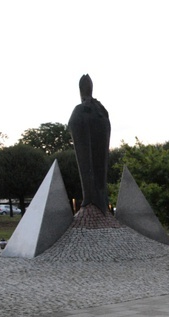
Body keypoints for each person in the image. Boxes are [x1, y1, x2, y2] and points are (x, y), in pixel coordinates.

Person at [68, 74, 111, 213]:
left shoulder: (93, 108)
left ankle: (95, 195)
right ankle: (95, 194)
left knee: (94, 166)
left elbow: (73, 123)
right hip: (90, 144)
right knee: (94, 166)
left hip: (96, 143)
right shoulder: (94, 109)